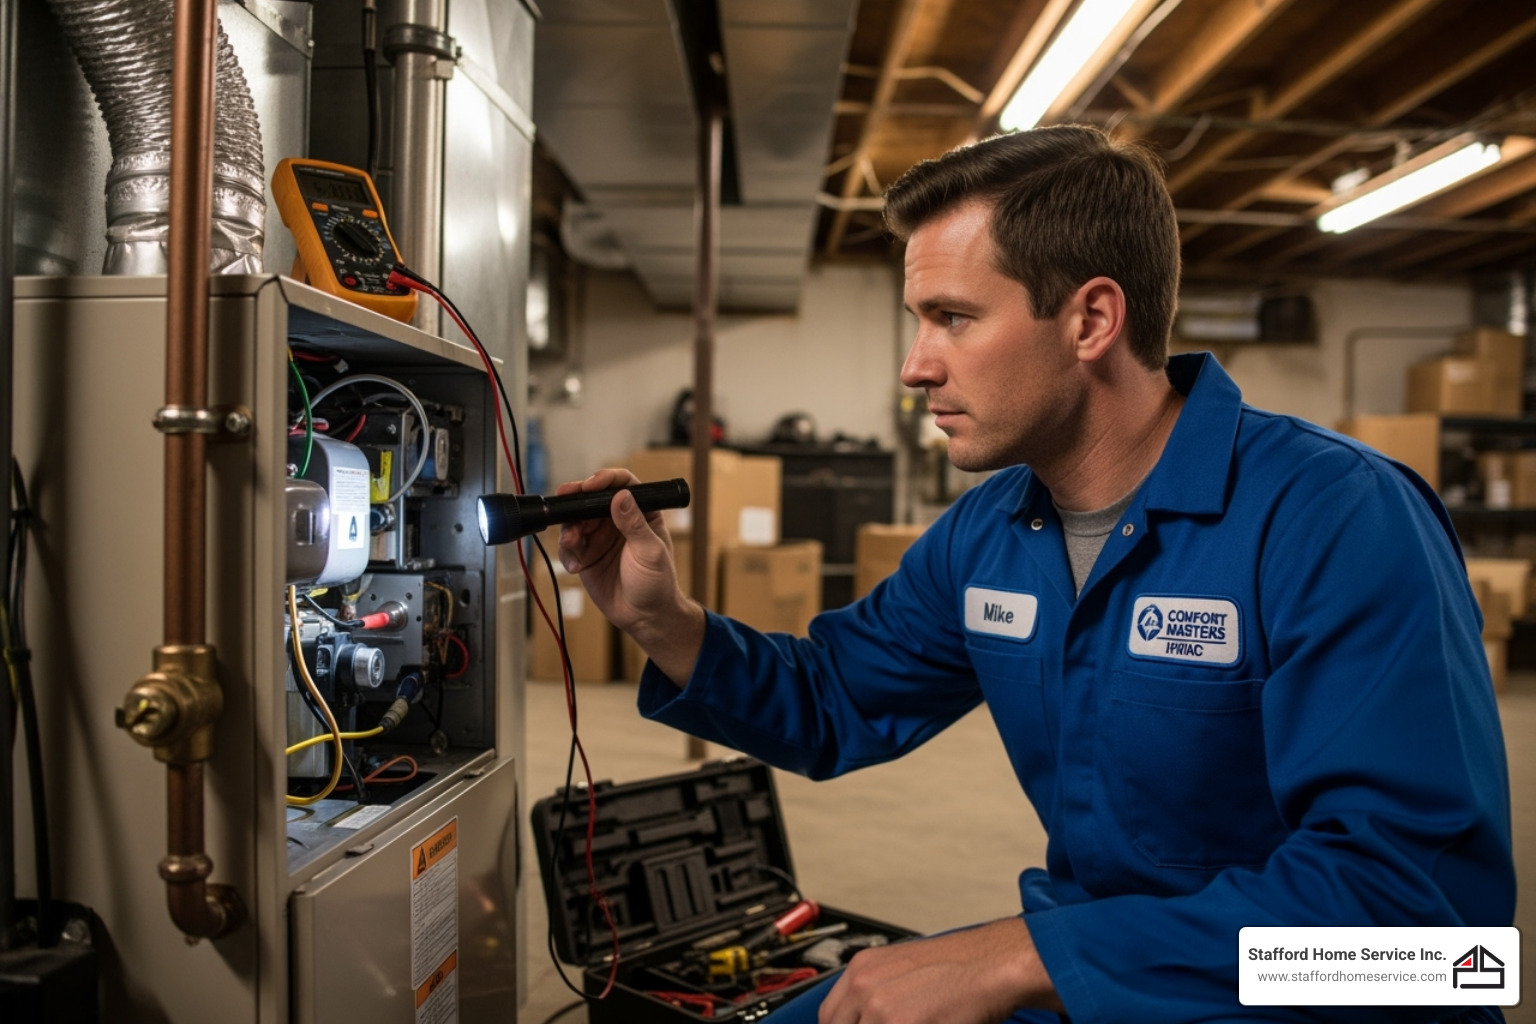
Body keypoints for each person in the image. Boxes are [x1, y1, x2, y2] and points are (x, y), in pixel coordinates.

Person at [555, 125, 1514, 1023]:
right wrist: (662, 620)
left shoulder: (1334, 518)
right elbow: (834, 697)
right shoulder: (994, 531)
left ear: (1092, 318)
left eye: (953, 318)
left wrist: (1023, 959)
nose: (915, 366)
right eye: (916, 320)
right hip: (1094, 978)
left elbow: (1430, 943)